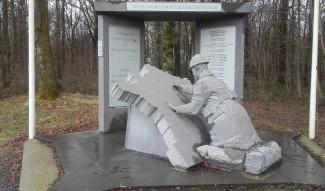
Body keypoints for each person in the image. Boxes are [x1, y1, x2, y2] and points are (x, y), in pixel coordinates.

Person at [167, 54, 261, 150]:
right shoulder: (215, 80)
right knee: (249, 143)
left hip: (225, 119)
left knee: (224, 149)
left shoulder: (202, 83)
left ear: (196, 69)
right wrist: (183, 87)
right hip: (238, 111)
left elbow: (194, 108)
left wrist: (176, 108)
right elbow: (199, 89)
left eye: (193, 71)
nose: (193, 74)